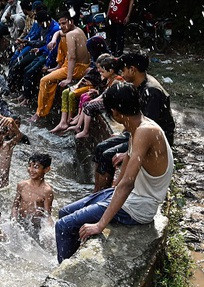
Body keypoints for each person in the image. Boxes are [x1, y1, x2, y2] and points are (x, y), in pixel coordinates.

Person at [56, 83, 173, 263]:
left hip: (138, 206)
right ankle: (72, 254)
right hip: (132, 198)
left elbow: (128, 183)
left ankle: (63, 272)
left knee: (63, 226)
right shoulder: (139, 126)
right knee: (64, 212)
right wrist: (112, 189)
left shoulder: (145, 131)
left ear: (116, 113)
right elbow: (128, 155)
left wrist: (100, 224)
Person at [92, 52, 175, 191]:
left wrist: (128, 153)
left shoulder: (151, 91)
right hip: (138, 133)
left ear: (132, 69)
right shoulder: (137, 85)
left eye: (123, 70)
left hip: (156, 140)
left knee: (108, 156)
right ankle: (97, 191)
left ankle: (105, 195)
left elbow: (148, 129)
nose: (122, 74)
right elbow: (136, 118)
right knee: (100, 148)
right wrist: (124, 133)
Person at [30, 11, 90, 122]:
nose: (61, 26)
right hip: (77, 66)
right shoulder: (76, 30)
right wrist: (53, 40)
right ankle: (59, 65)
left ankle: (40, 113)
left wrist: (69, 78)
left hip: (77, 69)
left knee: (44, 80)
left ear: (71, 21)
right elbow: (58, 33)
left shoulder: (72, 34)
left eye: (64, 23)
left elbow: (72, 57)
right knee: (61, 39)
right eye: (60, 24)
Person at [66, 55, 124, 138]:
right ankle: (78, 126)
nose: (101, 74)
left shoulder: (116, 80)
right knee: (86, 104)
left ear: (111, 71)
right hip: (107, 100)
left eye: (102, 72)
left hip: (112, 103)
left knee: (89, 106)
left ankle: (85, 131)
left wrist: (95, 100)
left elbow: (105, 94)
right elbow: (104, 92)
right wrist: (96, 92)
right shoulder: (109, 78)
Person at [50, 67, 102, 135]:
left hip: (91, 87)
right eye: (98, 67)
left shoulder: (103, 73)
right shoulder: (94, 70)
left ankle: (69, 120)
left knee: (72, 94)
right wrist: (76, 85)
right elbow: (84, 77)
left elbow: (100, 86)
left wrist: (90, 84)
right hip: (83, 85)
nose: (99, 69)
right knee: (65, 92)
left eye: (100, 67)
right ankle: (62, 121)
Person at [11, 153, 54, 230]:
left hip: (35, 226)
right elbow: (15, 206)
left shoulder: (47, 191)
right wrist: (14, 220)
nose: (31, 170)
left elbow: (47, 215)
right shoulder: (22, 185)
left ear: (46, 169)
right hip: (20, 221)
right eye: (29, 166)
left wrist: (50, 231)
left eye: (36, 167)